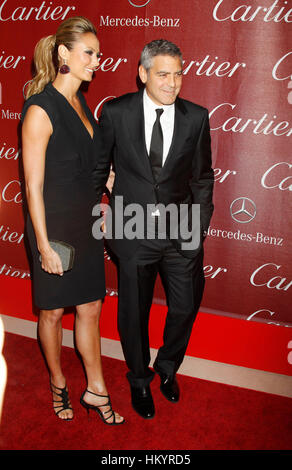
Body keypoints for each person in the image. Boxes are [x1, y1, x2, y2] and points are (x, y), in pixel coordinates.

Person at [94, 39, 214, 419]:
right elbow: (98, 169)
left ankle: (166, 368)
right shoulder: (115, 113)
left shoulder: (196, 117)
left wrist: (197, 230)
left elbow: (202, 179)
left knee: (184, 307)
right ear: (143, 73)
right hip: (132, 233)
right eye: (163, 74)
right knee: (134, 313)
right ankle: (139, 380)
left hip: (181, 234)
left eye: (178, 74)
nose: (172, 83)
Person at [21, 16, 124, 425]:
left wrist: (121, 184)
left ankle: (96, 390)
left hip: (85, 223)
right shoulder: (41, 109)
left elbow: (94, 168)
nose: (96, 62)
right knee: (50, 313)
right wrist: (43, 246)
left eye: (98, 55)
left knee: (91, 307)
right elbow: (32, 186)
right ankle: (58, 382)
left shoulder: (82, 105)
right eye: (89, 53)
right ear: (63, 53)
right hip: (53, 227)